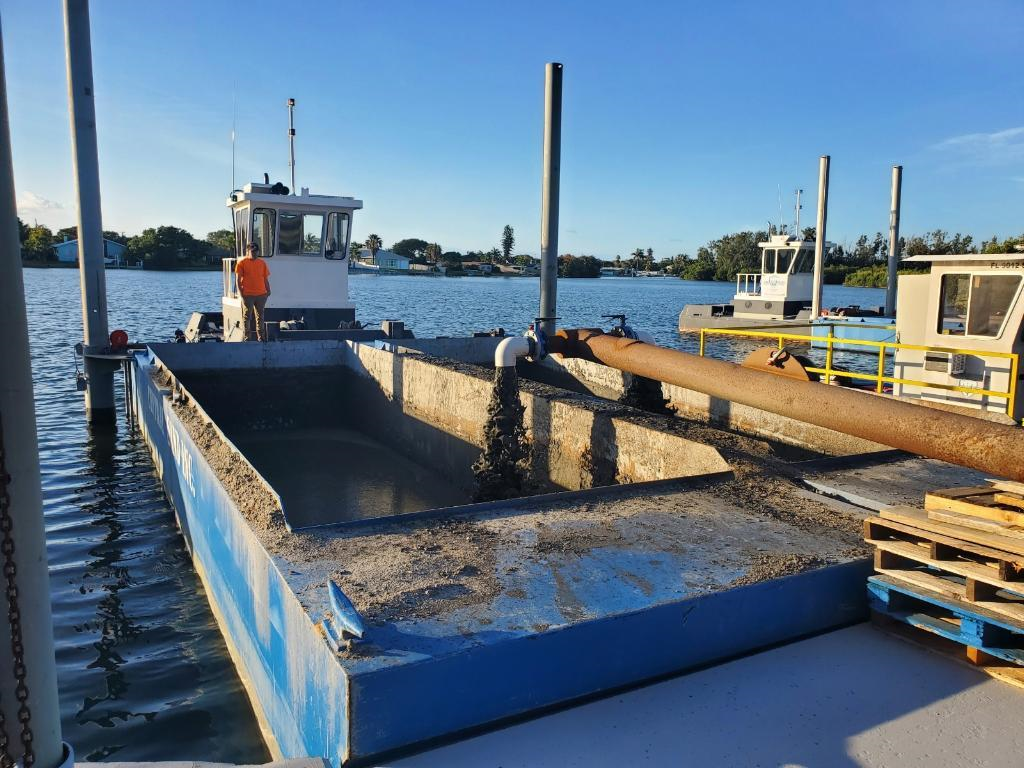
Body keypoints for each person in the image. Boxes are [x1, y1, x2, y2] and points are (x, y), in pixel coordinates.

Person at [236, 242, 271, 341]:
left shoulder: (262, 263)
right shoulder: (242, 263)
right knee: (247, 316)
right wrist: (241, 294)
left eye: (256, 251)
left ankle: (261, 337)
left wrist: (268, 290)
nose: (254, 253)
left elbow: (265, 279)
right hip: (248, 295)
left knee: (260, 316)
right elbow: (238, 280)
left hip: (261, 294)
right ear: (248, 251)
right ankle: (247, 338)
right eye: (252, 251)